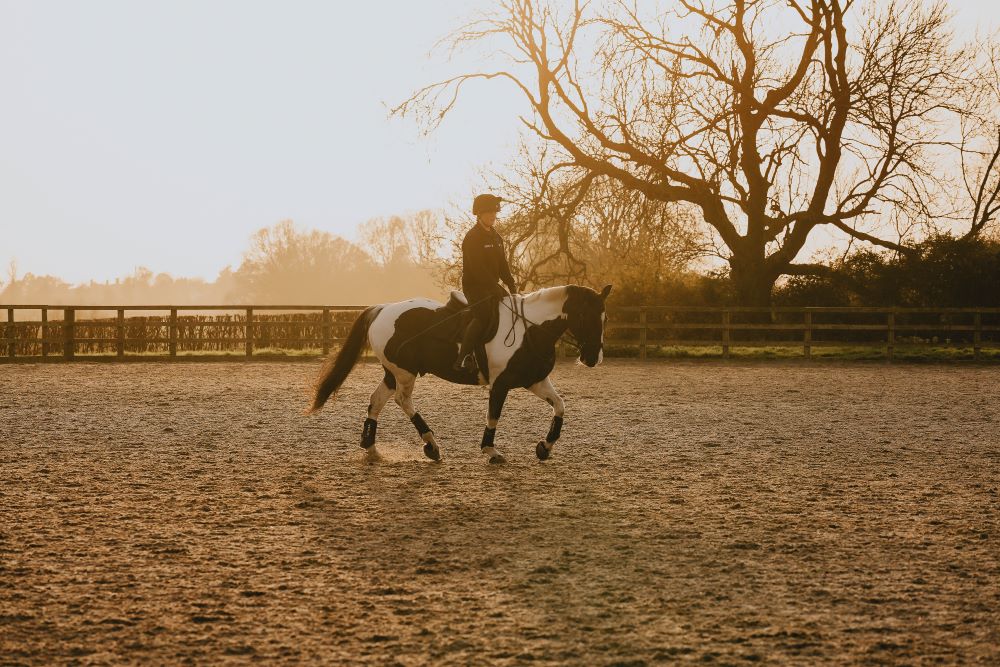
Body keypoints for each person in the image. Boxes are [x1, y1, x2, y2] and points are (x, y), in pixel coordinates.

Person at [452, 193, 517, 372]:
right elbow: (477, 268)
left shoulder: (496, 237)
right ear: (479, 214)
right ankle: (464, 356)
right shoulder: (472, 237)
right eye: (488, 213)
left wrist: (511, 285)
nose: (493, 216)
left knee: (512, 309)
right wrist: (493, 287)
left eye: (494, 212)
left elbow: (503, 265)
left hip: (491, 286)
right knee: (483, 316)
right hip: (475, 286)